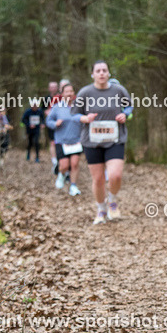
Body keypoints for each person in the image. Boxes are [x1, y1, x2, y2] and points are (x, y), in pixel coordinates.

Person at [72, 61, 130, 225]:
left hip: (115, 139)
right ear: (93, 74)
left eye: (104, 70)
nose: (102, 73)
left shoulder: (118, 90)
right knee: (98, 180)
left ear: (109, 73)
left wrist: (125, 114)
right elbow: (75, 115)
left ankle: (112, 200)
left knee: (115, 175)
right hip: (92, 141)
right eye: (98, 71)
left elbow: (129, 107)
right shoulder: (85, 92)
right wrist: (85, 118)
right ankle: (101, 208)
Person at [46, 82, 83, 196]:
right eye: (67, 92)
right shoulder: (57, 107)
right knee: (64, 166)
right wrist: (55, 124)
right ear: (62, 94)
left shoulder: (79, 106)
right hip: (62, 141)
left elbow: (85, 119)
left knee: (75, 164)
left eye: (71, 91)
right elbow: (48, 121)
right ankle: (61, 175)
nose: (69, 94)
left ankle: (73, 186)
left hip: (76, 140)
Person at [45, 81, 60, 174]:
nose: (53, 88)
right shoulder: (46, 98)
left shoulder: (61, 97)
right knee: (52, 142)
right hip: (51, 122)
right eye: (52, 87)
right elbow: (42, 110)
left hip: (61, 123)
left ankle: (61, 160)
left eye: (55, 87)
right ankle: (54, 161)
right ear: (49, 88)